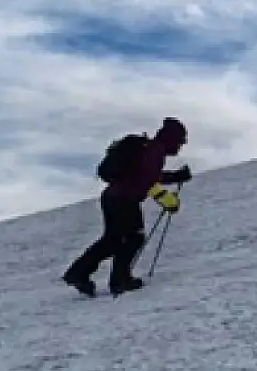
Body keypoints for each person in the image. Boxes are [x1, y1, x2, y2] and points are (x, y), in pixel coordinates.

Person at [62, 118, 191, 297]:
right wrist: (168, 198)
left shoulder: (149, 149)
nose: (180, 146)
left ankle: (79, 273)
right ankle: (119, 280)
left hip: (112, 197)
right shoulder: (154, 152)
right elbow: (146, 180)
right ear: (171, 139)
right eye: (180, 141)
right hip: (125, 199)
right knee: (133, 238)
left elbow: (145, 177)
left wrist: (174, 178)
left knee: (113, 240)